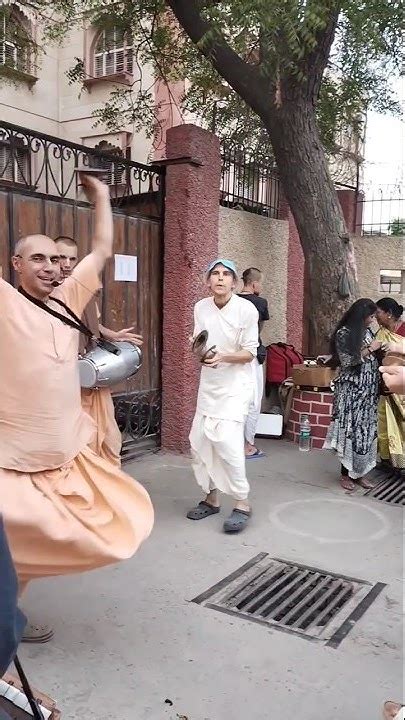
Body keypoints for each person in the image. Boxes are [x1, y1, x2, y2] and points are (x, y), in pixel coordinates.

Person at [0, 174, 154, 640]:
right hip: (12, 457)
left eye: (54, 259)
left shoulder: (69, 300)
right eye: (38, 258)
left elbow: (102, 248)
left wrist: (103, 198)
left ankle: (9, 615)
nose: (50, 267)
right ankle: (7, 622)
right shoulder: (4, 300)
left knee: (54, 539)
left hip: (63, 452)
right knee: (12, 544)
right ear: (16, 264)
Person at [55, 235, 143, 466]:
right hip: (67, 382)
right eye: (60, 257)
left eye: (71, 258)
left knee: (110, 438)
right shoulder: (48, 295)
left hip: (93, 377)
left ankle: (109, 489)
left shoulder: (83, 289)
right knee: (83, 441)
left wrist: (111, 334)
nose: (66, 263)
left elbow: (90, 324)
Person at [187, 259, 259, 534]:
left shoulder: (246, 309)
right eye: (214, 274)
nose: (220, 279)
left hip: (236, 387)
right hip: (209, 386)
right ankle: (211, 498)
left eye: (226, 274)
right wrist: (201, 355)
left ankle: (242, 503)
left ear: (235, 282)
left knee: (228, 445)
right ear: (207, 280)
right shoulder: (200, 307)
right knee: (200, 442)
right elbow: (199, 342)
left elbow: (250, 352)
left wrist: (223, 357)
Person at [323, 299, 381, 491]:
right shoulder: (344, 333)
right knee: (350, 432)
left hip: (368, 391)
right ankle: (345, 474)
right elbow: (348, 361)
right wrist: (371, 348)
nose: (373, 320)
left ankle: (360, 473)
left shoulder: (367, 331)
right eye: (371, 316)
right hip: (351, 392)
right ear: (361, 315)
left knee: (365, 433)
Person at [238, 267, 269, 459]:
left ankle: (234, 443)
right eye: (261, 283)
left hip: (233, 355)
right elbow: (259, 329)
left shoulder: (233, 301)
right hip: (252, 354)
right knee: (253, 400)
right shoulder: (260, 302)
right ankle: (248, 445)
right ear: (255, 283)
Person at [375, 298, 405, 474]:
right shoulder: (381, 332)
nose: (376, 317)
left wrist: (393, 346)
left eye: (378, 312)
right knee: (384, 424)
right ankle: (387, 461)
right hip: (386, 387)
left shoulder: (403, 329)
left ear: (389, 314)